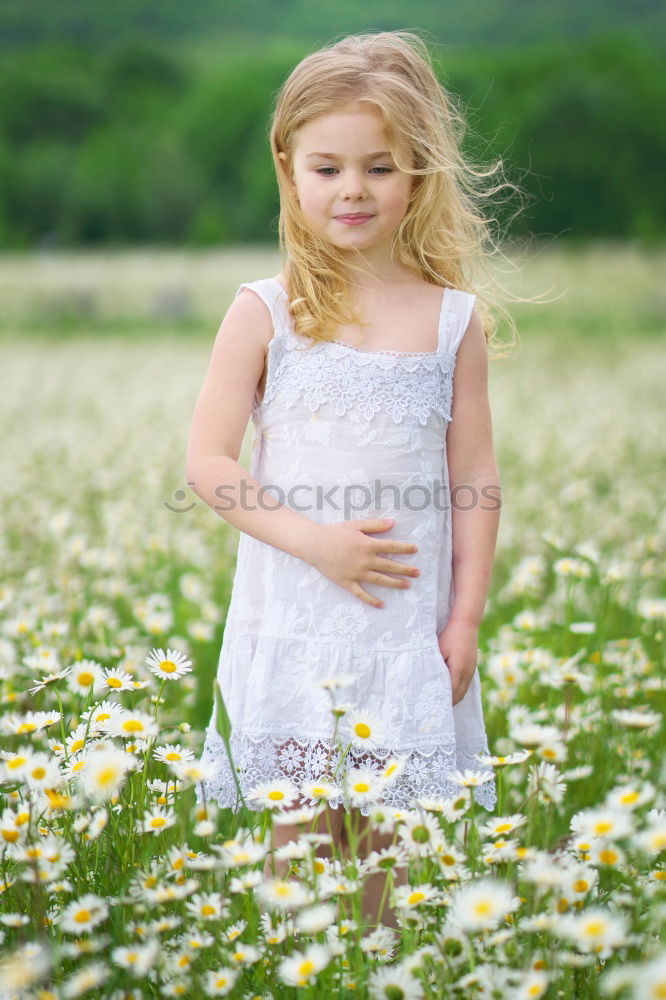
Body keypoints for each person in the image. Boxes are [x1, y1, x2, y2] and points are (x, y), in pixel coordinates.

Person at [187, 29, 512, 930]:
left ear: (418, 175)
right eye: (328, 168)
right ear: (288, 168)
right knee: (298, 874)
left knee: (387, 879)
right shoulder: (265, 310)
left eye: (380, 167)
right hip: (295, 621)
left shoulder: (453, 321)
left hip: (404, 633)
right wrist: (318, 543)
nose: (354, 190)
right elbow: (209, 464)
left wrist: (466, 616)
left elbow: (476, 478)